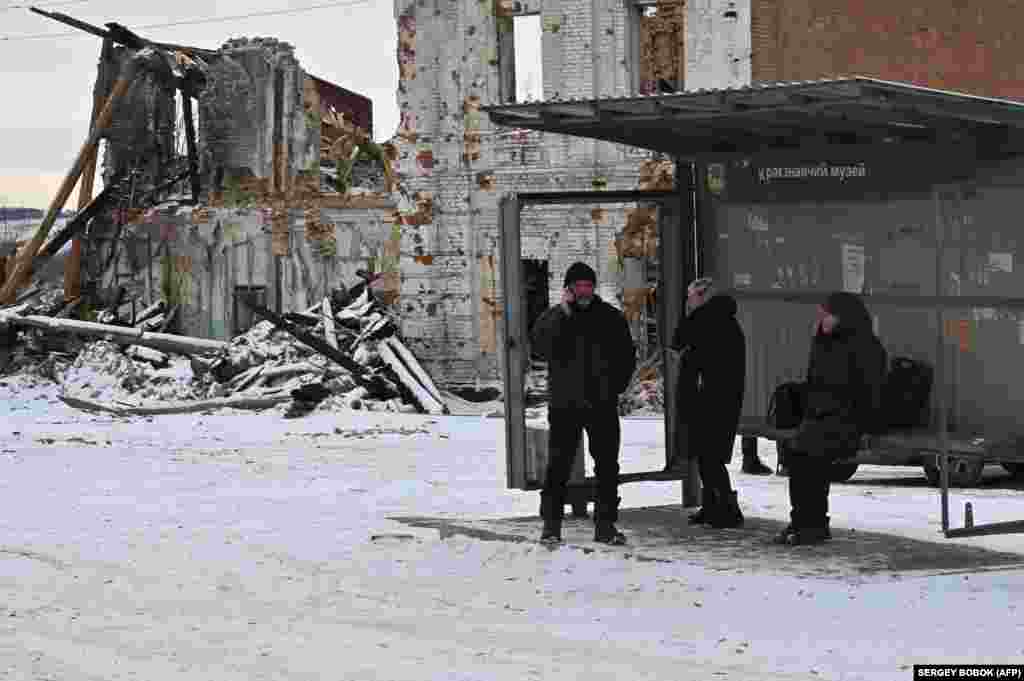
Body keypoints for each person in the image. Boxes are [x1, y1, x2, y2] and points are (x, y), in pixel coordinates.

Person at [531, 262, 636, 545]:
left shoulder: (610, 317)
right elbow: (540, 345)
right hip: (565, 404)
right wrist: (562, 312)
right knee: (558, 465)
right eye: (578, 286)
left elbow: (627, 355)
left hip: (601, 403)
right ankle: (551, 526)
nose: (584, 291)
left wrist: (615, 388)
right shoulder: (556, 318)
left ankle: (605, 525)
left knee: (607, 465)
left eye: (588, 285)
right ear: (568, 289)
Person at [775, 292, 887, 546]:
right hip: (823, 419)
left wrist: (834, 408)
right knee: (799, 453)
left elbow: (867, 393)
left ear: (841, 317)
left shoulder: (865, 346)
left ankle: (811, 524)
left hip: (849, 421)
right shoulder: (824, 344)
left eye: (826, 315)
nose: (821, 320)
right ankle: (805, 521)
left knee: (808, 454)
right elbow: (818, 384)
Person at [668, 277, 747, 528]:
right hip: (723, 397)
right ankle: (714, 506)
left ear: (701, 297)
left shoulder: (704, 319)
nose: (687, 302)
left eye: (690, 297)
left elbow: (677, 340)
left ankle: (726, 509)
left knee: (708, 456)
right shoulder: (728, 320)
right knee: (708, 456)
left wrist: (688, 314)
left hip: (705, 398)